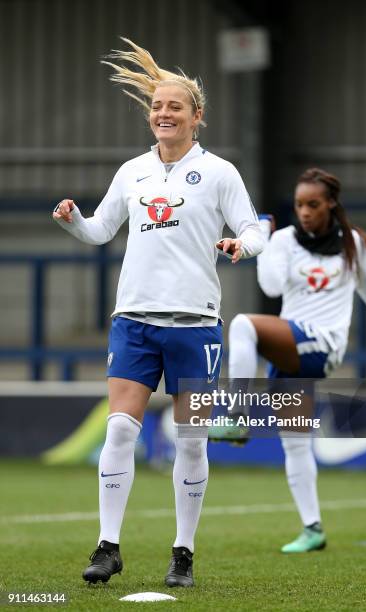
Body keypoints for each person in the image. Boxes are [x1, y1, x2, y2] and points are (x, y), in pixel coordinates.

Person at [53, 37, 263, 587]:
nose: (163, 113)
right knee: (120, 430)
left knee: (191, 439)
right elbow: (100, 232)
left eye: (175, 106)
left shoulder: (219, 173)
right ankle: (107, 546)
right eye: (157, 106)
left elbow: (254, 227)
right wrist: (73, 220)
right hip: (135, 321)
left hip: (196, 324)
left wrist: (245, 246)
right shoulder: (131, 173)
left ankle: (183, 553)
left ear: (197, 116)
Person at [210, 167, 366, 553]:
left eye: (313, 205)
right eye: (299, 204)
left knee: (242, 325)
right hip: (290, 347)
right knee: (296, 442)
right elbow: (271, 286)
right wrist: (267, 240)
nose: (304, 211)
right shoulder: (285, 239)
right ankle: (313, 528)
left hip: (323, 345)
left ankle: (236, 416)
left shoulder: (353, 242)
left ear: (331, 205)